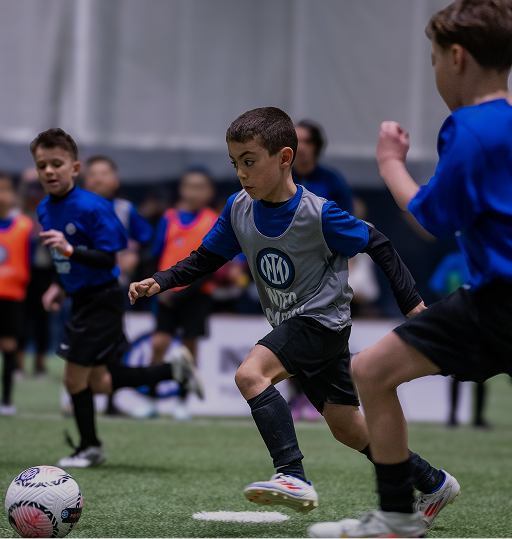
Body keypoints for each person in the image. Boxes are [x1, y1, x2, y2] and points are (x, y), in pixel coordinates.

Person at [129, 107, 455, 517]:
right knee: (347, 427)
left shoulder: (320, 214)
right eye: (235, 164)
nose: (241, 174)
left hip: (321, 322)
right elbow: (205, 258)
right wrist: (159, 280)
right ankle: (433, 482)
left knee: (251, 374)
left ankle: (292, 474)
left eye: (249, 161)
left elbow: (380, 244)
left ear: (284, 158)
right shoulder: (238, 208)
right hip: (296, 324)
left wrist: (413, 306)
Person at [309, 1, 512, 536]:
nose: (435, 70)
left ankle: (396, 517)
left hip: (500, 301)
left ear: (457, 57)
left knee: (371, 372)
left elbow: (433, 218)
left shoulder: (470, 129)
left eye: (433, 58)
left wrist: (390, 163)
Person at [32, 128, 202, 467]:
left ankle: (90, 447)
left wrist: (69, 248)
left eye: (56, 163)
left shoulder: (95, 207)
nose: (49, 171)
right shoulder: (43, 209)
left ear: (74, 168)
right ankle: (173, 370)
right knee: (102, 381)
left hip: (101, 299)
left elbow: (106, 259)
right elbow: (61, 258)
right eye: (41, 165)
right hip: (80, 298)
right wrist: (56, 284)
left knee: (73, 379)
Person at [148, 168, 216, 419]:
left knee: (189, 351)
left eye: (201, 187)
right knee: (158, 345)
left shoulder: (213, 221)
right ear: (182, 190)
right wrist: (158, 285)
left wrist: (181, 293)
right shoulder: (169, 218)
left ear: (209, 192)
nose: (194, 192)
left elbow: (212, 266)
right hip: (166, 295)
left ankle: (182, 401)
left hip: (196, 296)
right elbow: (155, 255)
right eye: (190, 186)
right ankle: (152, 399)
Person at [429, 251, 490, 429]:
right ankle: (454, 416)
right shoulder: (454, 260)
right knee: (457, 369)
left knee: (480, 370)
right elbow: (437, 284)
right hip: (461, 319)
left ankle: (477, 417)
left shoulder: (483, 257)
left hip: (479, 319)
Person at [16, 168, 54, 377]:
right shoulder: (20, 217)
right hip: (23, 274)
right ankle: (18, 364)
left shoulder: (51, 215)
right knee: (21, 320)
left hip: (45, 272)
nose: (34, 198)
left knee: (43, 320)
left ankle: (40, 364)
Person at [0, 173, 32, 415]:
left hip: (12, 297)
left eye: (5, 189)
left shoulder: (24, 226)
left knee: (9, 347)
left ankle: (7, 400)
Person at [292, 119, 354, 213]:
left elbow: (345, 215)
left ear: (317, 146)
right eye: (297, 141)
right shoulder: (281, 179)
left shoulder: (332, 179)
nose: (301, 147)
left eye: (308, 142)